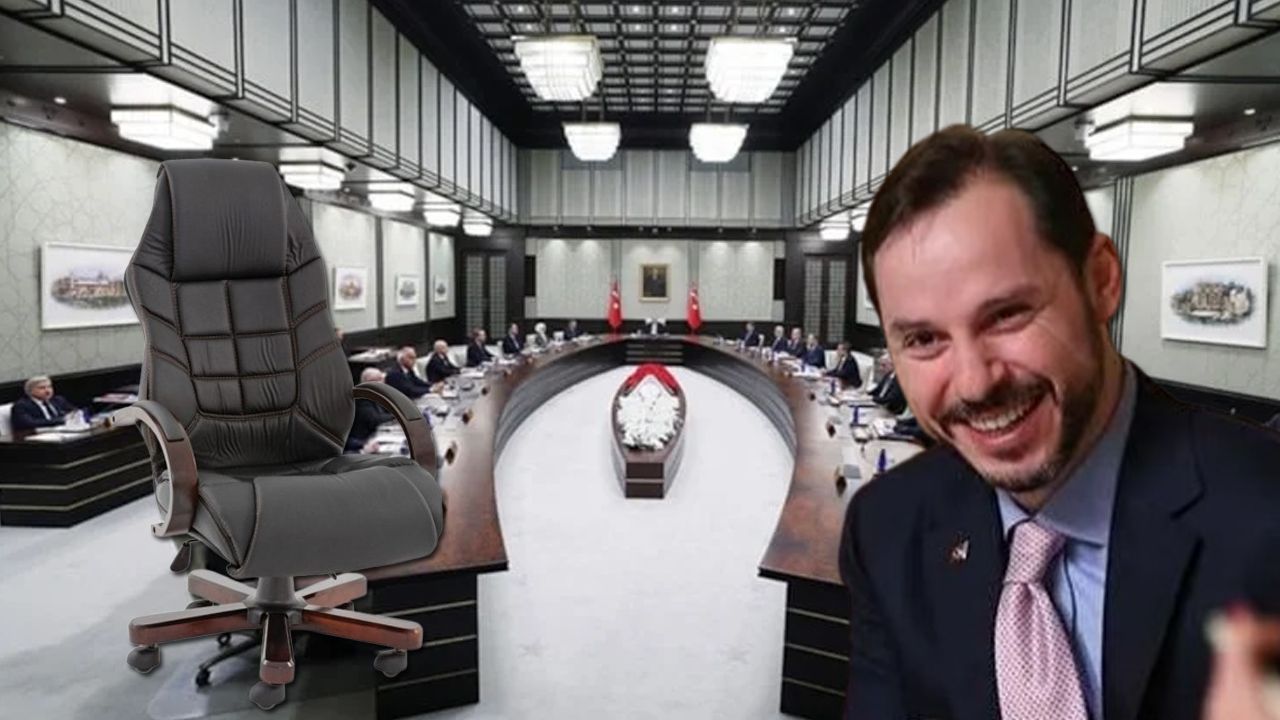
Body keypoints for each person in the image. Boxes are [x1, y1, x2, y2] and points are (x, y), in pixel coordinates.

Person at [839, 125, 1280, 720]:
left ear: (1100, 281)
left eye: (1006, 314)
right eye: (923, 339)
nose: (974, 383)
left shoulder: (1265, 519)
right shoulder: (887, 530)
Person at [346, 367, 394, 453]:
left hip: (373, 437)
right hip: (362, 442)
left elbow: (387, 411)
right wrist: (397, 415)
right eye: (380, 379)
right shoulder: (361, 397)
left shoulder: (374, 394)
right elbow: (375, 420)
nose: (384, 383)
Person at [11, 375, 78, 431]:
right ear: (30, 391)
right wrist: (61, 420)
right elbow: (30, 423)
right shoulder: (21, 405)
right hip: (35, 436)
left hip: (61, 431)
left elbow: (75, 412)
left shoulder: (58, 400)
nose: (48, 390)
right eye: (42, 388)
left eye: (49, 387)